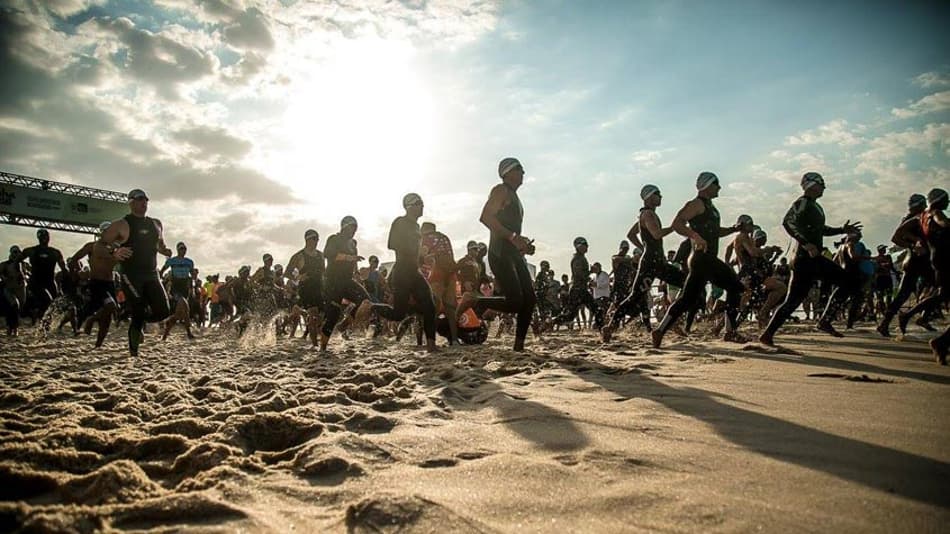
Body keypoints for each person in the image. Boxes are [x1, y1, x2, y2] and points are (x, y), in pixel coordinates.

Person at [759, 173, 862, 346]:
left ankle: (768, 334)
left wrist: (842, 230)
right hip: (804, 259)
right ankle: (823, 321)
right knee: (846, 282)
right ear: (811, 185)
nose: (824, 188)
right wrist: (806, 244)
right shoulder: (802, 202)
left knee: (796, 299)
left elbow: (821, 230)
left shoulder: (815, 206)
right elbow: (787, 222)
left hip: (811, 259)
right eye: (822, 184)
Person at [649, 175, 744, 348]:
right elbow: (677, 223)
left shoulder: (710, 207)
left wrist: (733, 229)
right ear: (706, 185)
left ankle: (660, 330)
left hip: (708, 260)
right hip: (701, 259)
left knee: (688, 298)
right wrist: (695, 236)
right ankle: (729, 332)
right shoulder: (696, 204)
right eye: (716, 184)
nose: (719, 187)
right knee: (734, 288)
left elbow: (715, 232)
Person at [603, 186, 684, 341]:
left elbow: (631, 234)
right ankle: (670, 320)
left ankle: (670, 319)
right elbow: (657, 234)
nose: (661, 196)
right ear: (649, 197)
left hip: (654, 261)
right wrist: (675, 227)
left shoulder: (645, 215)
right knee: (636, 296)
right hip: (652, 263)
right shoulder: (647, 214)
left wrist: (643, 247)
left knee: (686, 284)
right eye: (658, 194)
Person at [98, 189, 172, 356]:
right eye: (139, 199)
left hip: (152, 273)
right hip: (131, 274)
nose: (143, 202)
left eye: (145, 199)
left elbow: (159, 244)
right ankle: (134, 353)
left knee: (163, 311)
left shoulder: (156, 224)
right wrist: (114, 252)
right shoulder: (122, 224)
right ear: (130, 203)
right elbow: (100, 244)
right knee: (138, 311)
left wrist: (164, 250)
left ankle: (135, 320)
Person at [476, 157, 537, 351]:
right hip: (500, 252)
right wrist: (513, 237)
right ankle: (474, 301)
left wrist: (523, 244)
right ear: (507, 172)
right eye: (519, 168)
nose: (523, 172)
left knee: (530, 299)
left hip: (513, 253)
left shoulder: (514, 196)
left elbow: (510, 230)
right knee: (515, 301)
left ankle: (519, 346)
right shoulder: (501, 190)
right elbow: (486, 217)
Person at [375, 193, 438, 352]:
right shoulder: (400, 222)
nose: (422, 206)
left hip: (414, 271)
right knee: (398, 314)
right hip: (402, 271)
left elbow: (415, 253)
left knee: (430, 305)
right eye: (418, 203)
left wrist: (423, 258)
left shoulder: (417, 227)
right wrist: (414, 249)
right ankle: (371, 307)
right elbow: (392, 244)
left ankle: (431, 345)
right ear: (409, 206)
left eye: (422, 203)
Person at [896, 188, 949, 363]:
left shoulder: (921, 217)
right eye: (946, 199)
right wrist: (915, 243)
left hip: (935, 258)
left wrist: (915, 241)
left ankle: (910, 316)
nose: (948, 203)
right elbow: (944, 223)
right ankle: (940, 341)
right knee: (939, 294)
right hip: (944, 259)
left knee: (941, 294)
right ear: (938, 200)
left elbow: (900, 232)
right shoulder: (935, 213)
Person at [320, 216, 385, 352]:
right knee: (333, 316)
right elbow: (328, 254)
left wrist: (358, 276)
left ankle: (344, 325)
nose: (354, 231)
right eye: (352, 228)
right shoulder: (334, 239)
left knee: (366, 301)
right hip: (333, 281)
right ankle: (323, 348)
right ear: (344, 227)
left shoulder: (353, 244)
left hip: (347, 280)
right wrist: (349, 257)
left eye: (355, 229)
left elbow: (354, 263)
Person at [877, 194, 934, 337]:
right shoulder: (914, 219)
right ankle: (921, 317)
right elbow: (896, 238)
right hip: (917, 261)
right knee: (940, 289)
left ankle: (886, 323)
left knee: (905, 294)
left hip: (917, 261)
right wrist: (914, 244)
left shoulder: (916, 218)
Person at [421, 221, 458, 345]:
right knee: (450, 309)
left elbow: (422, 254)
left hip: (438, 272)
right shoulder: (444, 237)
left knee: (433, 307)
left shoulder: (426, 238)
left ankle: (429, 340)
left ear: (423, 230)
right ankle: (455, 340)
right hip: (451, 273)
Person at [286, 229, 326, 346]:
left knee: (321, 317)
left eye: (318, 239)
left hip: (319, 288)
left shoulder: (321, 255)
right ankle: (315, 345)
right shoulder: (299, 256)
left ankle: (300, 310)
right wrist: (298, 277)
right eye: (314, 239)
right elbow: (287, 273)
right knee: (313, 316)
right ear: (307, 239)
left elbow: (324, 272)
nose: (317, 242)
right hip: (306, 288)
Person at [19, 228, 66, 324]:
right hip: (36, 282)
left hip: (50, 282)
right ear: (38, 238)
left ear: (49, 238)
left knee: (54, 305)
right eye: (42, 237)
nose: (44, 239)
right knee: (47, 301)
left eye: (45, 236)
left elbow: (64, 269)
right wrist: (22, 272)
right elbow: (16, 261)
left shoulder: (55, 252)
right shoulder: (31, 251)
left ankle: (41, 319)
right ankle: (41, 323)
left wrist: (63, 283)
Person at [554, 237, 596, 329]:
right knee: (571, 315)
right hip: (577, 290)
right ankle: (550, 322)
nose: (587, 247)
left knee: (572, 315)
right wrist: (590, 272)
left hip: (580, 289)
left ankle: (550, 322)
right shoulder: (577, 259)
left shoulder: (581, 258)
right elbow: (579, 274)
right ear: (578, 246)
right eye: (585, 245)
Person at [159, 241, 196, 340]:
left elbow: (192, 274)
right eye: (181, 249)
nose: (183, 250)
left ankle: (165, 333)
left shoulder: (189, 262)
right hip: (176, 286)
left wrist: (192, 286)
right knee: (184, 306)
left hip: (185, 287)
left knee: (181, 313)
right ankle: (189, 333)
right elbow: (163, 270)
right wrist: (161, 278)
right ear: (178, 250)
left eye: (184, 249)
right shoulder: (172, 261)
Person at [0, 246, 26, 336]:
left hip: (21, 289)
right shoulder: (5, 264)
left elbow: (29, 273)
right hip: (9, 288)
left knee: (18, 309)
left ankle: (14, 327)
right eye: (14, 252)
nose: (16, 254)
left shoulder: (23, 264)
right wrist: (4, 278)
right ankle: (12, 327)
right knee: (14, 305)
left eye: (18, 252)